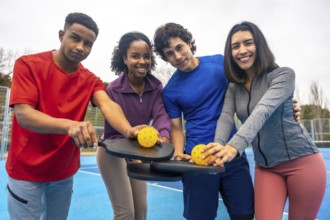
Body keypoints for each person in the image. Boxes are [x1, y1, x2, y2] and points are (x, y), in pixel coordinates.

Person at [6, 12, 142, 219]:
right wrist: (69, 125)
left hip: (63, 173)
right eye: (75, 38)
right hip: (26, 171)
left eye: (88, 43)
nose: (81, 47)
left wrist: (128, 129)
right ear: (62, 35)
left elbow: (107, 105)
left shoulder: (89, 79)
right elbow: (24, 115)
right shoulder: (28, 64)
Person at [203, 21, 327, 220]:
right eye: (235, 46)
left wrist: (234, 146)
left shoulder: (283, 75)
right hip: (266, 168)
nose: (242, 50)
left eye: (248, 43)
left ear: (259, 45)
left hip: (302, 162)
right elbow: (226, 117)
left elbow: (263, 110)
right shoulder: (234, 88)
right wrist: (218, 147)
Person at [153, 22, 255, 220]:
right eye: (169, 53)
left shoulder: (219, 62)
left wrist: (286, 105)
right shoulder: (170, 91)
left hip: (231, 153)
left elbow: (250, 86)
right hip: (197, 160)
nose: (177, 56)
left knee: (244, 214)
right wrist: (179, 154)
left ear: (189, 42)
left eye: (179, 47)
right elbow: (176, 128)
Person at [96, 31, 172, 220]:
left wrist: (163, 136)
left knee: (141, 212)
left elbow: (161, 114)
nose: (142, 61)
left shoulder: (155, 86)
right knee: (126, 213)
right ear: (124, 58)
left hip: (137, 152)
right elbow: (113, 129)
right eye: (135, 56)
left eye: (146, 56)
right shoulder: (113, 89)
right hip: (112, 150)